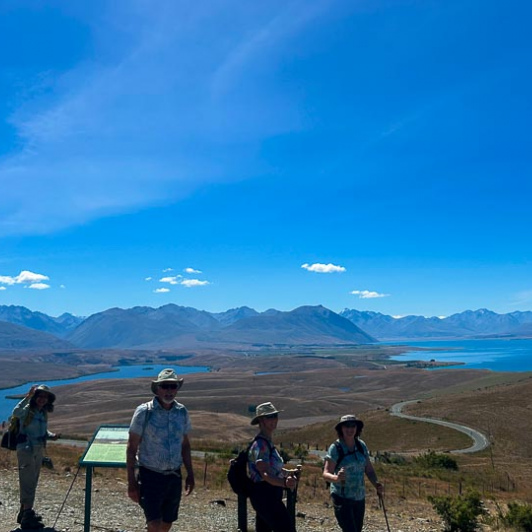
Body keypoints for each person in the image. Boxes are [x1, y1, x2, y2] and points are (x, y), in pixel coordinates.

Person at [127, 369, 195, 532]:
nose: (169, 390)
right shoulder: (144, 412)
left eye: (173, 386)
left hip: (174, 476)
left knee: (167, 522)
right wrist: (131, 482)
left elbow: (185, 445)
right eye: (165, 386)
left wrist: (190, 474)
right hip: (150, 476)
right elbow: (131, 448)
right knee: (154, 523)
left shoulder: (182, 412)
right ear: (157, 389)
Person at [323, 414, 384, 532]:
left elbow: (369, 470)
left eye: (353, 426)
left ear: (357, 428)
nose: (350, 429)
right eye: (346, 426)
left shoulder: (361, 446)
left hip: (359, 497)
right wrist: (336, 478)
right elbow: (326, 473)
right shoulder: (336, 448)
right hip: (342, 497)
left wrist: (376, 484)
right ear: (341, 428)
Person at [12, 384, 60, 529]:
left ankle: (24, 512)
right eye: (40, 396)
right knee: (27, 482)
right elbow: (16, 412)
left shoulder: (42, 413)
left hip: (38, 451)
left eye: (45, 397)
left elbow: (43, 431)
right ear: (35, 397)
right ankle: (27, 514)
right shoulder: (28, 410)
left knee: (32, 482)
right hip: (26, 450)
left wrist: (53, 436)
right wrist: (27, 397)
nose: (42, 399)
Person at [247, 402, 299, 532]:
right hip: (266, 496)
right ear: (261, 421)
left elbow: (271, 469)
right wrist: (284, 483)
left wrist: (286, 472)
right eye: (269, 417)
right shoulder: (261, 445)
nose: (273, 420)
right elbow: (265, 474)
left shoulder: (266, 442)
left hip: (266, 496)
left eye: (275, 416)